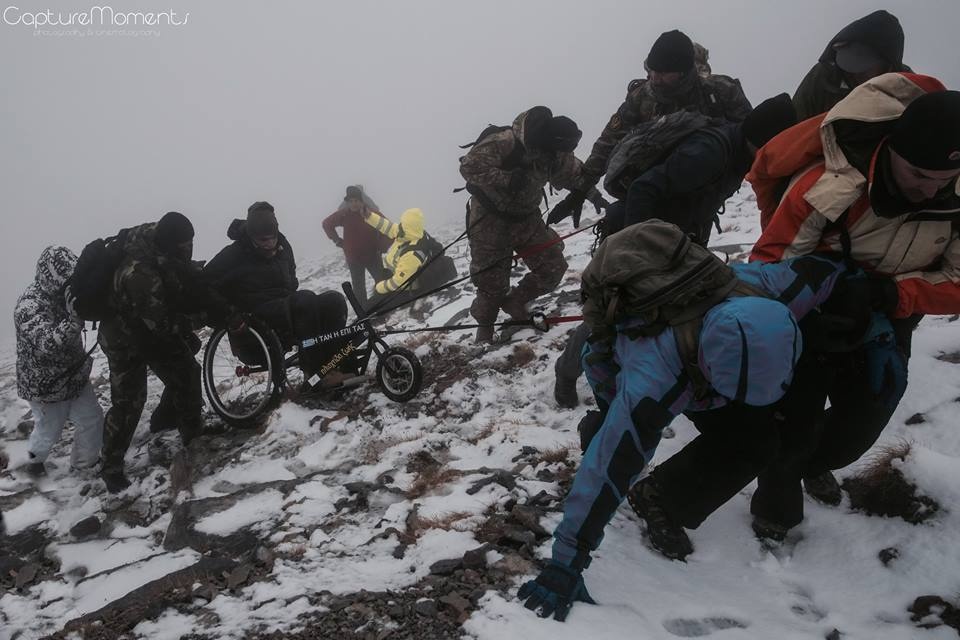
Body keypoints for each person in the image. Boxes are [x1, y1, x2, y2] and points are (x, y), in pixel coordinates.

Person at [517, 248, 859, 622]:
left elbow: (829, 267)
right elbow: (606, 468)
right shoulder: (652, 375)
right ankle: (598, 429)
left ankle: (661, 497)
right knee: (616, 443)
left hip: (703, 368)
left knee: (757, 438)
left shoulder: (774, 290)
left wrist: (867, 295)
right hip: (621, 367)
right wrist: (566, 563)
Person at [747, 77, 960, 538]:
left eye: (945, 181)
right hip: (812, 313)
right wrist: (806, 312)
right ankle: (777, 500)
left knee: (858, 428)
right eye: (919, 176)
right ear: (891, 151)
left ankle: (809, 462)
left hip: (889, 318)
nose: (930, 191)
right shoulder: (825, 188)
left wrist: (895, 296)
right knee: (796, 416)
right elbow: (768, 265)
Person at [553, 94, 798, 408]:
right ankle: (569, 370)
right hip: (637, 238)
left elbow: (698, 204)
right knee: (611, 314)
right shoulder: (708, 153)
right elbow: (644, 188)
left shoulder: (738, 152)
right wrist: (635, 253)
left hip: (673, 240)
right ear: (762, 140)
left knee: (664, 313)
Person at [459, 106, 601, 343]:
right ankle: (485, 327)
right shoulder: (505, 142)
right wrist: (507, 179)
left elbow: (573, 174)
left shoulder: (556, 150)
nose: (562, 154)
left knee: (553, 266)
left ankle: (516, 300)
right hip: (490, 220)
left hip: (526, 218)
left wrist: (594, 195)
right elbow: (469, 167)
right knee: (491, 282)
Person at [98, 212, 218, 493]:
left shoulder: (161, 244)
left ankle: (190, 432)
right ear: (170, 243)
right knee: (129, 403)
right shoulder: (139, 272)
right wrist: (200, 317)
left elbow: (176, 279)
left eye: (191, 242)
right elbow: (162, 324)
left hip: (149, 326)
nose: (188, 249)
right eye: (184, 244)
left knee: (187, 369)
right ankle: (111, 466)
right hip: (124, 340)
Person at [579, 29, 752, 192]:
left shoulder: (720, 91)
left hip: (708, 184)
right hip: (653, 183)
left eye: (663, 73)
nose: (655, 79)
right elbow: (609, 139)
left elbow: (752, 138)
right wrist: (581, 189)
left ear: (683, 72)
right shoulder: (642, 96)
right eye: (653, 71)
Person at [204, 201, 349, 383]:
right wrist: (230, 315)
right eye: (263, 240)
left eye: (272, 238)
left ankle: (335, 365)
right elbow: (205, 286)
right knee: (304, 300)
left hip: (284, 309)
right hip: (254, 320)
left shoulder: (282, 245)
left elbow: (291, 273)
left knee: (334, 301)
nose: (269, 244)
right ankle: (315, 374)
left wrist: (289, 288)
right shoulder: (233, 255)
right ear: (251, 236)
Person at [14, 246, 103, 476]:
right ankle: (32, 463)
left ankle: (85, 467)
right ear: (51, 279)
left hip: (73, 374)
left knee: (91, 419)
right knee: (49, 430)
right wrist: (74, 320)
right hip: (45, 384)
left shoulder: (69, 295)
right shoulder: (28, 307)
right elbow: (47, 344)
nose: (70, 286)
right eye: (66, 282)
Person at [793, 10, 909, 121]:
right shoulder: (824, 76)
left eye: (864, 68)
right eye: (851, 62)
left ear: (888, 66)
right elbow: (794, 124)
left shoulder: (908, 88)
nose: (855, 73)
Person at [360, 206, 438, 313]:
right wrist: (369, 216)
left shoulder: (412, 254)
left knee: (369, 309)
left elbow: (399, 282)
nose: (400, 226)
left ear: (408, 226)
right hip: (393, 276)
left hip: (405, 290)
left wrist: (380, 287)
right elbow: (389, 227)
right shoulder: (409, 233)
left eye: (403, 224)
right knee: (371, 303)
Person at [323, 185, 390, 309]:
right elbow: (326, 224)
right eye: (351, 201)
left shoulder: (371, 214)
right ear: (347, 203)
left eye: (356, 201)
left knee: (381, 282)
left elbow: (387, 228)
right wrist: (338, 241)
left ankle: (384, 307)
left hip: (373, 255)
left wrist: (382, 246)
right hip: (354, 258)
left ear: (361, 201)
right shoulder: (343, 214)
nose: (354, 204)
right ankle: (364, 313)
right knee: (359, 288)